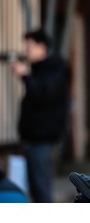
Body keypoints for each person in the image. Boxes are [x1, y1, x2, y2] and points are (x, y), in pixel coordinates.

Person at [10, 28, 70, 203]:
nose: (25, 51)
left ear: (41, 47)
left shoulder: (55, 68)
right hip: (31, 141)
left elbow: (43, 95)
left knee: (41, 192)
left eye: (28, 47)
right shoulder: (39, 70)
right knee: (35, 192)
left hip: (43, 140)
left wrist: (24, 75)